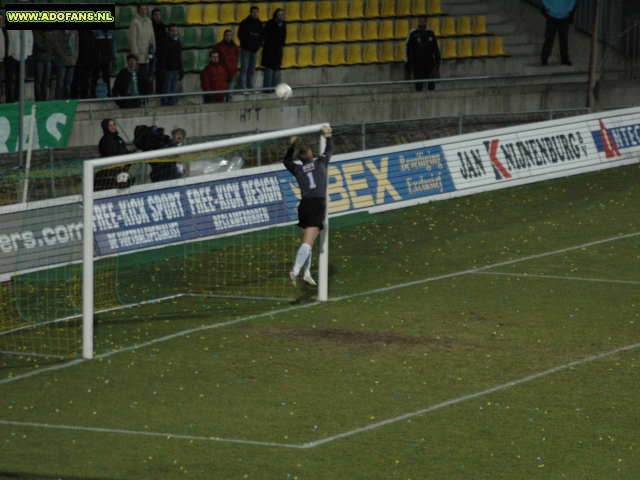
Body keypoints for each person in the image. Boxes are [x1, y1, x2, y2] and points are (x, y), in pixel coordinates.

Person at [284, 125, 334, 287]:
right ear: (312, 155)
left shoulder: (298, 169)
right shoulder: (320, 164)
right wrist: (328, 135)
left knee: (309, 241)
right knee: (307, 242)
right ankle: (296, 270)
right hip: (316, 205)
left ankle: (306, 273)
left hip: (304, 206)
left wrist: (292, 146)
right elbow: (330, 148)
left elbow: (286, 161)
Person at [405, 16, 441, 92]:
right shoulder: (413, 33)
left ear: (426, 22)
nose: (422, 23)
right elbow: (408, 49)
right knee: (419, 84)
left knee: (431, 84)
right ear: (418, 22)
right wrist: (408, 62)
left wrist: (437, 60)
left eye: (423, 21)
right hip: (417, 64)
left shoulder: (430, 33)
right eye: (421, 21)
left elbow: (435, 48)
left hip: (429, 63)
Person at [95, 118, 130, 191]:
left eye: (113, 124)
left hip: (122, 170)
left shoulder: (119, 138)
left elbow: (125, 151)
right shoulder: (104, 141)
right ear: (106, 127)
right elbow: (108, 154)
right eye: (110, 125)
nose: (113, 127)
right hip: (110, 173)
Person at [540, 0, 577, 66]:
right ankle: (544, 58)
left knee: (564, 38)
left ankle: (564, 59)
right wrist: (548, 7)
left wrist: (569, 9)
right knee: (549, 37)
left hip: (564, 15)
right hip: (552, 15)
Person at [129, 4, 155, 95]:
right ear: (138, 10)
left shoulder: (149, 21)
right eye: (142, 9)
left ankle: (145, 94)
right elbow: (133, 39)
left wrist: (152, 49)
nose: (143, 11)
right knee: (138, 76)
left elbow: (152, 37)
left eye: (145, 9)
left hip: (147, 55)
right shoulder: (134, 22)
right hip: (138, 55)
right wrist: (135, 54)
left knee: (146, 76)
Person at [237, 6, 264, 93]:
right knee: (244, 69)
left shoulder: (260, 24)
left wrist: (258, 46)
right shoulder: (245, 23)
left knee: (252, 70)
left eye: (257, 12)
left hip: (254, 50)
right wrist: (247, 45)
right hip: (246, 49)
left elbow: (262, 37)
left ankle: (250, 87)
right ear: (250, 12)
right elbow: (241, 35)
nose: (255, 13)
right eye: (254, 12)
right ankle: (243, 88)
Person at [261, 8, 287, 93]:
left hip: (278, 50)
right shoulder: (270, 23)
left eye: (282, 15)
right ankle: (267, 88)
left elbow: (283, 37)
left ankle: (275, 88)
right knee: (269, 70)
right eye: (279, 14)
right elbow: (266, 36)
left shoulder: (283, 24)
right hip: (269, 50)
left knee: (276, 71)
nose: (280, 16)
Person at [5, 28, 33, 103]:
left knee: (20, 80)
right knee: (10, 80)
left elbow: (30, 40)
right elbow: (8, 39)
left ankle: (18, 99)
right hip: (12, 57)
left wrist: (28, 54)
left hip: (24, 57)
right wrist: (10, 54)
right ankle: (9, 100)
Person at [158, 24, 183, 106]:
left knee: (173, 92)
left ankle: (171, 107)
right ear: (169, 31)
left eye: (176, 30)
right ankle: (164, 107)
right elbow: (162, 58)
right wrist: (162, 71)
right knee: (166, 92)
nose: (174, 32)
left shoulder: (178, 42)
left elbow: (179, 57)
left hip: (176, 70)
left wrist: (181, 69)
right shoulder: (165, 42)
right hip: (168, 70)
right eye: (172, 30)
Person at [71, 29, 99, 99]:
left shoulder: (90, 33)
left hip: (86, 62)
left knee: (84, 81)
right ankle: (77, 96)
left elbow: (93, 47)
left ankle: (83, 95)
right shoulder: (78, 33)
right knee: (77, 81)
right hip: (80, 62)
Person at [51, 29, 78, 100]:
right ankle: (58, 100)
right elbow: (56, 46)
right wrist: (64, 56)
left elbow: (76, 45)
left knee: (68, 83)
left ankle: (67, 99)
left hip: (71, 61)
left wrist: (75, 57)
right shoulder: (56, 32)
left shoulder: (74, 32)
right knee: (60, 83)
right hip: (61, 61)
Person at [213, 29, 239, 101]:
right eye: (227, 35)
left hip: (231, 72)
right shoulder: (218, 46)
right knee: (221, 92)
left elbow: (236, 59)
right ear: (224, 36)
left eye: (230, 35)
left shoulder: (235, 47)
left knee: (230, 93)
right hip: (222, 72)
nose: (228, 37)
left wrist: (234, 69)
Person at [93, 30, 117, 98]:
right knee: (95, 76)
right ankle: (93, 93)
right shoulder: (96, 32)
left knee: (106, 77)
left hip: (107, 58)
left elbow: (113, 44)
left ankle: (108, 93)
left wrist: (113, 56)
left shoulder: (110, 32)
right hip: (97, 59)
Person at [32, 30, 52, 102]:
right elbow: (39, 45)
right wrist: (47, 46)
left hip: (47, 59)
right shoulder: (35, 33)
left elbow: (52, 44)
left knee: (46, 81)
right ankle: (38, 100)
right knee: (38, 81)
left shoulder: (48, 33)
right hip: (39, 59)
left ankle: (44, 99)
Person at [151, 8, 168, 94]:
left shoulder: (162, 25)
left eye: (159, 15)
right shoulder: (149, 25)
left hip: (160, 53)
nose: (158, 16)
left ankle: (159, 92)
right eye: (156, 15)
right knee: (150, 74)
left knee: (160, 74)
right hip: (152, 52)